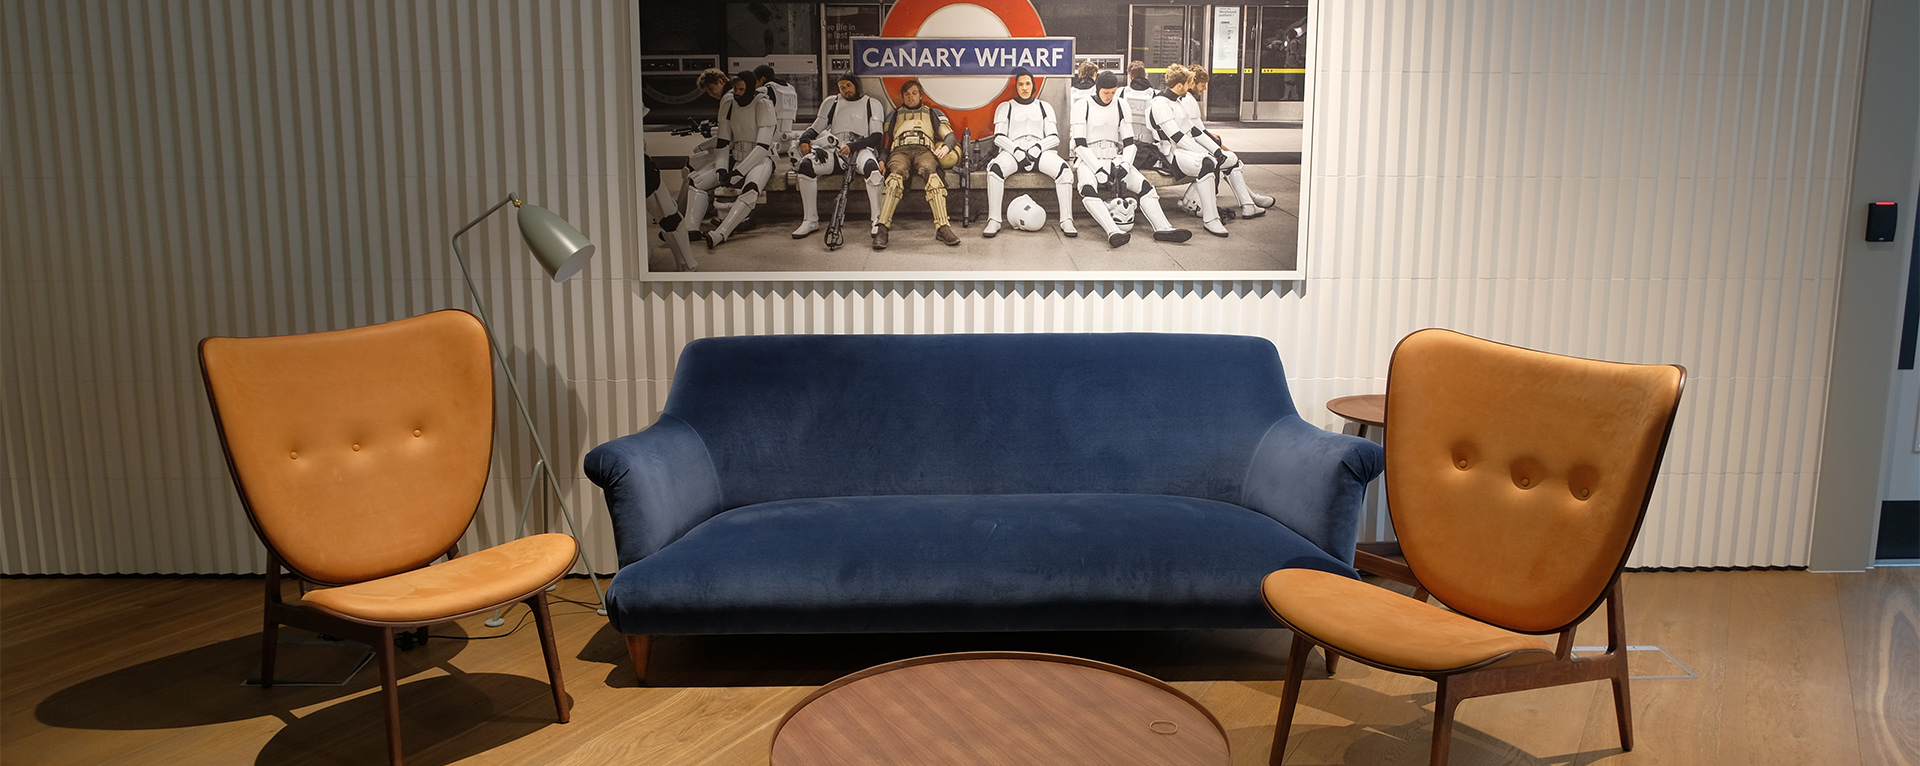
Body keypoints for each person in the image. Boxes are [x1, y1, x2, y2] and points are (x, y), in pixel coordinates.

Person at [1070, 71, 1192, 247]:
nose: (1109, 96)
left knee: (1146, 188)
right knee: (1087, 189)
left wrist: (1126, 164)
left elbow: (1129, 142)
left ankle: (1163, 228)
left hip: (1114, 156)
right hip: (1089, 159)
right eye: (1106, 92)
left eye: (1113, 92)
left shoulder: (1121, 105)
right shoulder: (1083, 105)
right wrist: (1098, 169)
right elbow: (1080, 144)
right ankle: (1113, 231)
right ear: (1098, 89)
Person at [684, 72, 775, 249]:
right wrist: (721, 168)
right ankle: (690, 228)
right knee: (697, 181)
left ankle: (722, 232)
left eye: (742, 89)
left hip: (760, 160)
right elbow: (723, 141)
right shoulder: (729, 104)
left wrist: (739, 172)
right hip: (736, 158)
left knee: (750, 190)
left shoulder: (763, 104)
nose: (738, 92)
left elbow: (763, 146)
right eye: (735, 88)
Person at [790, 73, 886, 239]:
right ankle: (810, 220)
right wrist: (804, 139)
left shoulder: (871, 103)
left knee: (873, 169)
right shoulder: (832, 102)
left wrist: (853, 146)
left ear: (856, 85)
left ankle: (877, 220)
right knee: (806, 166)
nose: (845, 90)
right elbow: (815, 127)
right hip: (836, 151)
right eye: (842, 87)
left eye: (848, 85)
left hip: (861, 149)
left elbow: (876, 136)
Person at [984, 67, 1075, 238]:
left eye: (1027, 84)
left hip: (1039, 151)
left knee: (1064, 172)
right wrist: (1015, 150)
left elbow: (1054, 137)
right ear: (1016, 86)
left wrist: (1037, 148)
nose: (1024, 88)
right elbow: (999, 137)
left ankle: (1066, 219)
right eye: (1020, 84)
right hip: (1013, 152)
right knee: (995, 170)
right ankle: (994, 220)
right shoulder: (1006, 107)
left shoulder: (1044, 107)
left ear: (1033, 85)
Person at [874, 80, 961, 250]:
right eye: (907, 94)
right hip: (899, 151)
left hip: (924, 151)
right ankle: (882, 229)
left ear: (920, 95)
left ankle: (943, 227)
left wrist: (945, 147)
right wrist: (882, 159)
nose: (911, 97)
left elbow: (950, 136)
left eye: (914, 93)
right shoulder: (894, 115)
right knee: (894, 178)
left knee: (932, 175)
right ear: (903, 97)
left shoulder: (931, 113)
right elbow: (886, 143)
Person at [1146, 64, 1229, 236]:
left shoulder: (1176, 102)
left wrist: (1216, 149)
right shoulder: (1160, 104)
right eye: (1188, 84)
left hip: (1183, 150)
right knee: (1207, 162)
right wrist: (1206, 153)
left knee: (1212, 161)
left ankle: (1201, 208)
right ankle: (1210, 219)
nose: (1190, 87)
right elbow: (1176, 137)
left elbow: (1193, 130)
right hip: (1169, 153)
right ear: (1179, 85)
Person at [1183, 66, 1275, 219]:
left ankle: (1250, 200)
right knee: (1233, 162)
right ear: (1192, 82)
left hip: (1189, 150)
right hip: (1194, 152)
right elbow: (1199, 134)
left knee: (1231, 161)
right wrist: (1223, 150)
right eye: (1202, 84)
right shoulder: (1188, 101)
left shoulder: (1181, 100)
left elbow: (1197, 130)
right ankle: (1249, 203)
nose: (1205, 88)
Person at [1120, 60, 1169, 174]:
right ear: (1145, 75)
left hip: (1124, 148)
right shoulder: (1156, 95)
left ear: (1130, 76)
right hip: (1147, 151)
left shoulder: (1120, 93)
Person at [753, 63, 801, 158]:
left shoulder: (765, 90)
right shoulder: (791, 89)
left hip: (768, 146)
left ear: (762, 79)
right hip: (787, 144)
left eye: (755, 82)